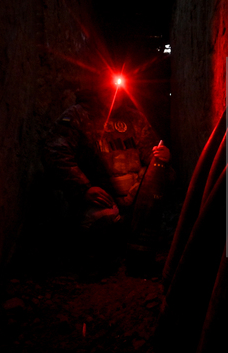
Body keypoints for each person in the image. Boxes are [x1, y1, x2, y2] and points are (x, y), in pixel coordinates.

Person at [43, 76, 173, 278]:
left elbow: (151, 153)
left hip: (133, 199)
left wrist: (162, 156)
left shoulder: (134, 118)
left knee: (162, 181)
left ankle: (137, 253)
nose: (115, 95)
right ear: (98, 89)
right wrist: (84, 188)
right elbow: (56, 153)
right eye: (109, 90)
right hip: (99, 199)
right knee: (102, 229)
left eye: (119, 90)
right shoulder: (77, 116)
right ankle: (97, 259)